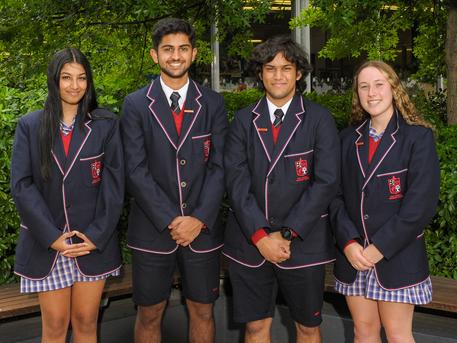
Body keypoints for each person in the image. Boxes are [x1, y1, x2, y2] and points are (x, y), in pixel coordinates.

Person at [223, 35, 340, 343]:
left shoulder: (319, 119)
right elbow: (236, 182)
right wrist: (261, 236)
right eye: (270, 68)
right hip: (250, 243)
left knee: (308, 328)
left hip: (303, 243)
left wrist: (286, 233)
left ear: (298, 73)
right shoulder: (243, 120)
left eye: (286, 68)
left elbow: (325, 182)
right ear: (260, 73)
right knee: (255, 328)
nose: (278, 75)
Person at [121, 18, 228, 343]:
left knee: (203, 310)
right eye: (168, 49)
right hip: (152, 230)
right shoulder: (136, 104)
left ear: (194, 53)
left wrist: (197, 218)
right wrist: (171, 219)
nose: (176, 56)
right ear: (155, 55)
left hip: (202, 229)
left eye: (183, 48)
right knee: (150, 313)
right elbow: (134, 170)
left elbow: (221, 166)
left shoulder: (213, 103)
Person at [10, 48, 124, 343]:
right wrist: (52, 237)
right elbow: (22, 185)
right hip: (49, 243)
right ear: (54, 80)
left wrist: (96, 236)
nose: (75, 85)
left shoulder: (105, 125)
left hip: (90, 241)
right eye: (66, 77)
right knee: (56, 325)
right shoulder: (31, 126)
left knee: (87, 322)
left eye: (82, 78)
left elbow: (115, 186)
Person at [330, 60, 440, 343]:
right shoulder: (345, 140)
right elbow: (335, 196)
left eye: (379, 84)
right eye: (364, 86)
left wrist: (379, 248)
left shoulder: (417, 138)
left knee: (397, 334)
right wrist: (349, 243)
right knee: (363, 332)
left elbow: (420, 206)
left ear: (394, 88)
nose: (372, 93)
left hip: (396, 255)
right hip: (355, 257)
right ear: (357, 94)